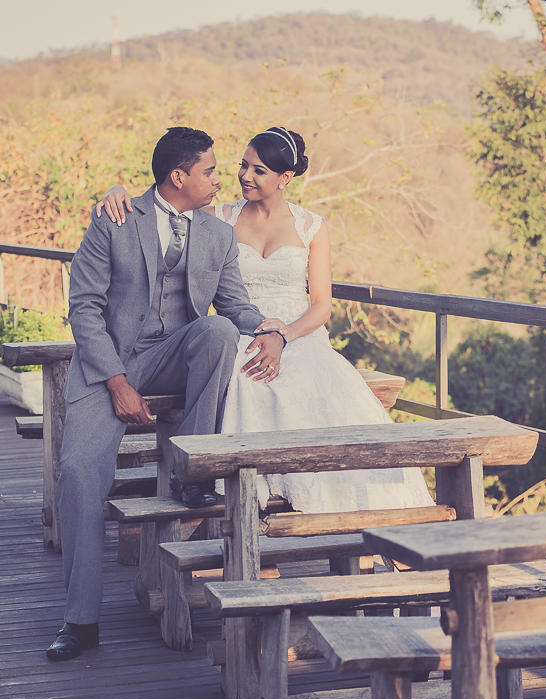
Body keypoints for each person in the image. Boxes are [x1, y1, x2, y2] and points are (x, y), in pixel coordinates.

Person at [97, 126, 433, 514]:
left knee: (316, 383)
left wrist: (285, 334)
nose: (244, 176)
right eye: (243, 165)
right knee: (244, 376)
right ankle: (220, 482)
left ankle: (332, 495)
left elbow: (322, 304)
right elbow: (165, 200)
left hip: (298, 332)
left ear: (285, 178)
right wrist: (115, 190)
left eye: (258, 170)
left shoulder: (312, 226)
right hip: (241, 329)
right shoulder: (217, 215)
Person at [48, 126, 285, 661]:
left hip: (173, 355)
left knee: (221, 331)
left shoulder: (217, 234)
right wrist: (117, 382)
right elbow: (83, 308)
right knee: (80, 473)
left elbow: (235, 305)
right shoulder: (113, 218)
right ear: (178, 176)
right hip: (108, 364)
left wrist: (273, 330)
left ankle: (190, 469)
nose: (219, 179)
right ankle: (80, 620)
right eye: (210, 170)